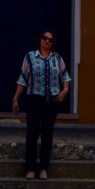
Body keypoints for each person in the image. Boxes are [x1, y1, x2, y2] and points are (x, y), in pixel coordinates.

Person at [12, 29, 71, 179]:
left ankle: (44, 167)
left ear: (52, 43)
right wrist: (15, 98)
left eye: (50, 39)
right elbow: (23, 79)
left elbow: (65, 76)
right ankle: (31, 168)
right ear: (40, 40)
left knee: (47, 134)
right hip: (33, 100)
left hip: (51, 102)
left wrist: (64, 90)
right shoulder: (30, 57)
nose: (47, 41)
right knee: (32, 132)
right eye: (45, 38)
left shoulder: (57, 58)